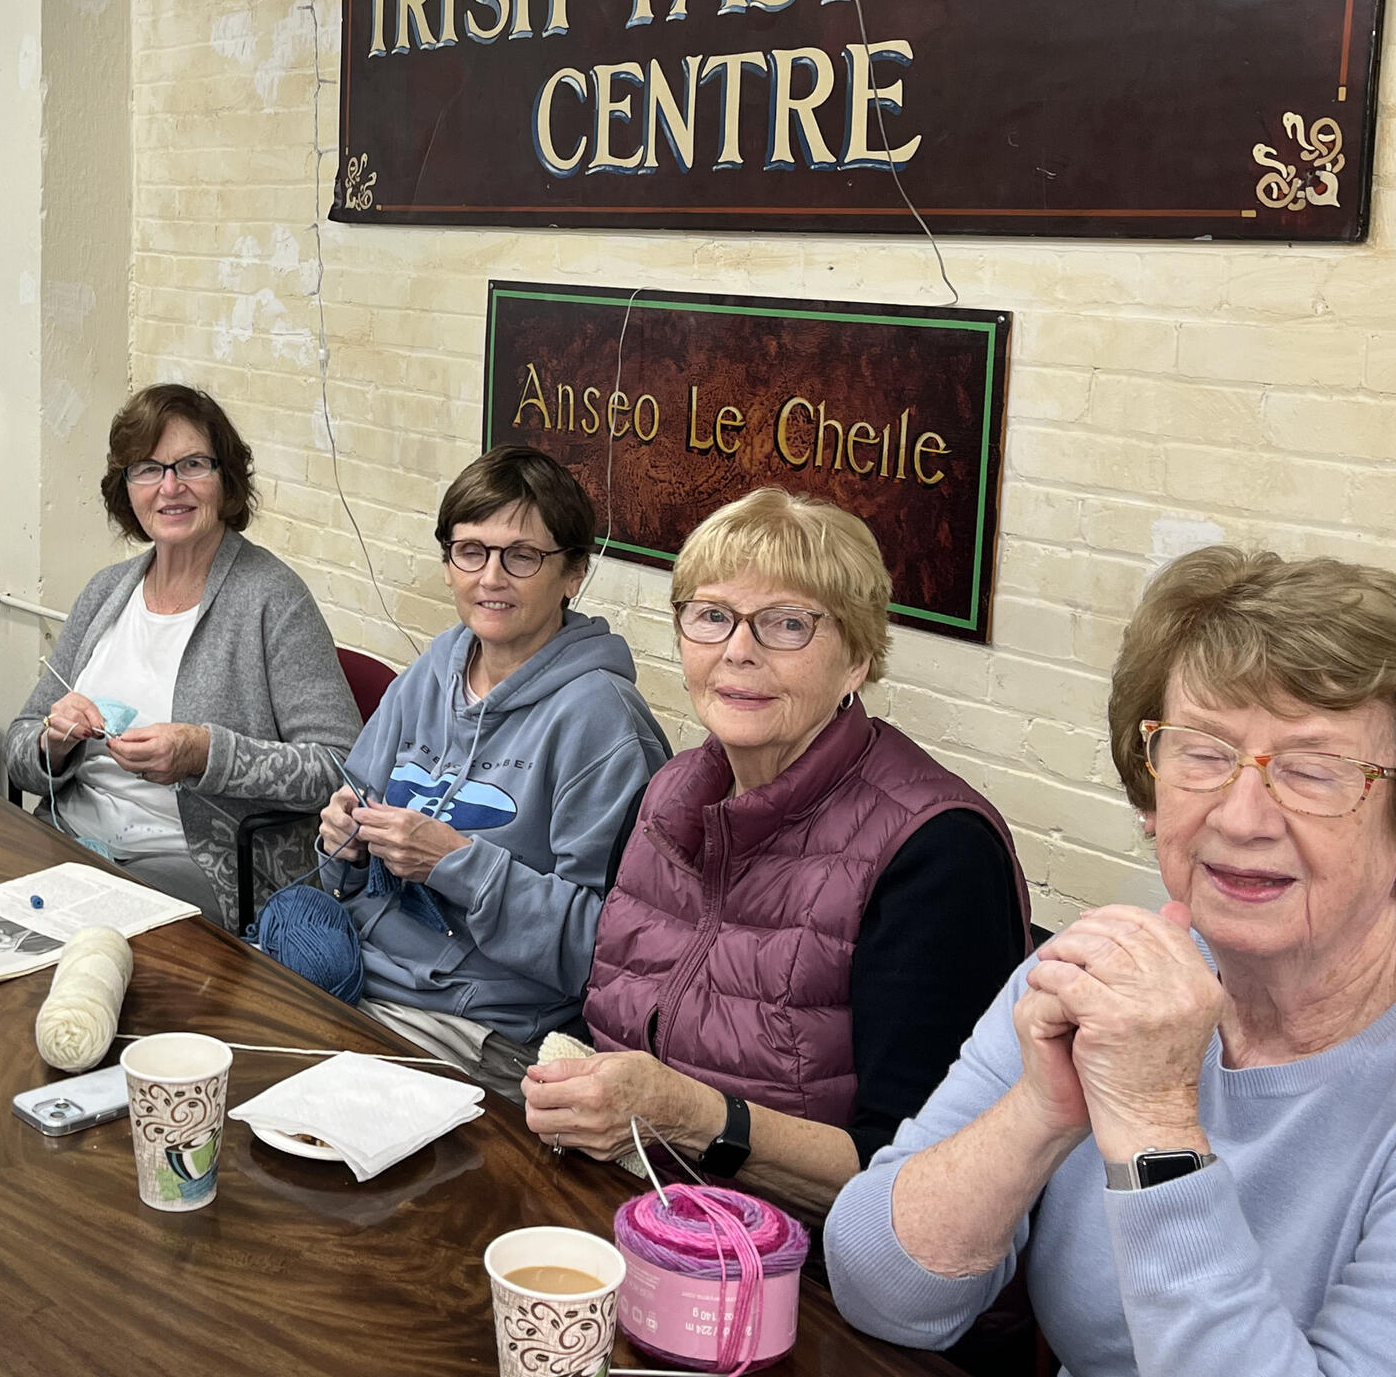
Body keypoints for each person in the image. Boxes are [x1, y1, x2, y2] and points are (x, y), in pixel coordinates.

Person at [827, 547, 1396, 1377]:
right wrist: (1042, 1110)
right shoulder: (1104, 979)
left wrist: (1155, 1124)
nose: (1240, 818)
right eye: (1201, 752)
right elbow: (877, 1290)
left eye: (1313, 771)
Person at [524, 490, 1030, 1211]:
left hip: (816, 1276)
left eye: (786, 624)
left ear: (856, 656)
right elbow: (603, 1021)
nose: (737, 651)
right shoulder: (665, 797)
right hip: (630, 1204)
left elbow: (927, 1174)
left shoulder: (936, 854)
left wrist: (696, 1118)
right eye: (711, 616)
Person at [265, 445, 671, 1096]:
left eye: (522, 556)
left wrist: (456, 863)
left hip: (479, 1031)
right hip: (359, 980)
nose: (491, 577)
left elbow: (602, 954)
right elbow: (349, 854)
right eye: (471, 551)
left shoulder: (602, 722)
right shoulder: (435, 668)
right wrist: (343, 839)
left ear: (572, 573)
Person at [5, 384, 361, 927]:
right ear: (127, 489)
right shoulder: (108, 591)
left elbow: (340, 769)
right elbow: (19, 744)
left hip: (196, 865)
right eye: (147, 468)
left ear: (226, 479)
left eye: (192, 464)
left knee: (72, 953)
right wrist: (52, 743)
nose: (170, 487)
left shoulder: (272, 598)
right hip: (69, 841)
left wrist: (205, 754)